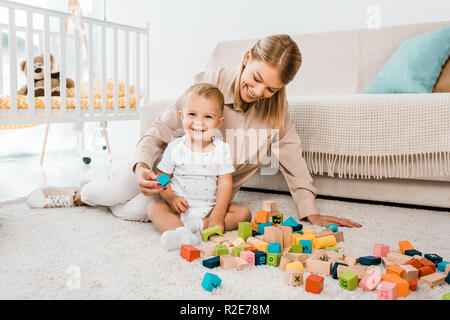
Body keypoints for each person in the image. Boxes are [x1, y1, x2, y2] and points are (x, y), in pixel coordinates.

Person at [27, 34, 361, 228]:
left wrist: (310, 211)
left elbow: (293, 161)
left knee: (136, 213)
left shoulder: (277, 112)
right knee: (120, 189)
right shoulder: (210, 82)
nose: (259, 92)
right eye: (257, 79)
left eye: (271, 89)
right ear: (247, 59)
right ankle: (78, 194)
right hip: (165, 174)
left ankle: (97, 185)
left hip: (197, 196)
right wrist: (142, 166)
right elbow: (162, 127)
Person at [149, 83, 250, 250]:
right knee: (154, 207)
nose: (199, 122)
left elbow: (225, 183)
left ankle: (195, 227)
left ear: (219, 122)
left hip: (210, 210)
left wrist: (217, 214)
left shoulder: (222, 149)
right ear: (182, 116)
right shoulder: (175, 147)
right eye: (192, 114)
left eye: (208, 117)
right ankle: (181, 231)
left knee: (243, 214)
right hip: (179, 209)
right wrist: (171, 198)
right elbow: (162, 177)